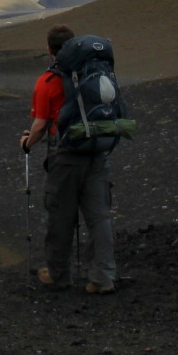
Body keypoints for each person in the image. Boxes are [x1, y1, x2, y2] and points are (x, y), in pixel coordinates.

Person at [20, 24, 116, 293]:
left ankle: (59, 275)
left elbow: (40, 125)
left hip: (65, 156)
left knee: (61, 217)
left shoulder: (47, 82)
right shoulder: (96, 75)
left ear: (50, 50)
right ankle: (103, 277)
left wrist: (27, 142)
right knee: (99, 217)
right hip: (97, 151)